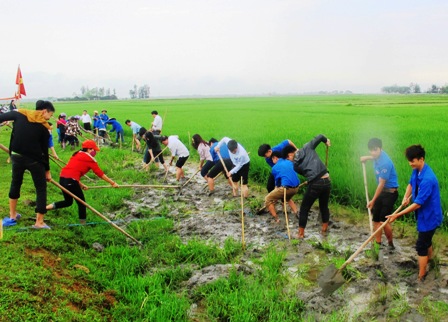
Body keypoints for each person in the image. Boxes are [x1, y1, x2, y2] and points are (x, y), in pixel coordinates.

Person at [386, 145, 443, 282]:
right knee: (426, 241)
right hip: (424, 215)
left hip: (430, 216)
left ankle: (421, 276)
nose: (410, 163)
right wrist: (406, 196)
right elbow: (411, 184)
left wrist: (397, 215)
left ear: (421, 159)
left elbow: (417, 203)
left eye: (413, 161)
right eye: (409, 160)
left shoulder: (428, 179)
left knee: (421, 245)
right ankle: (430, 262)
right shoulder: (417, 170)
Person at [0, 101, 55, 229]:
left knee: (15, 183)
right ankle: (39, 222)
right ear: (44, 111)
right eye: (50, 115)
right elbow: (44, 151)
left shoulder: (19, 114)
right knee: (41, 188)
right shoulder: (44, 128)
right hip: (34, 161)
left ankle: (12, 216)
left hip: (16, 157)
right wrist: (47, 171)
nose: (49, 118)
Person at [46, 140, 118, 224]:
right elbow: (100, 173)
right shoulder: (89, 159)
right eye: (94, 150)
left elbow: (73, 171)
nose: (95, 152)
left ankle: (45, 208)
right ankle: (82, 224)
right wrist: (112, 183)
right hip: (71, 181)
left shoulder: (77, 154)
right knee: (82, 203)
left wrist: (80, 184)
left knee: (68, 202)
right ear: (89, 149)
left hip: (63, 179)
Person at [360, 138, 399, 249]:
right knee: (376, 219)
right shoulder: (377, 156)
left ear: (380, 149)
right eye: (370, 150)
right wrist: (366, 158)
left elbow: (381, 184)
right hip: (382, 192)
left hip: (390, 193)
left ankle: (391, 244)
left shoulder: (385, 163)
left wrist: (372, 200)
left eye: (375, 150)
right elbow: (373, 156)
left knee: (383, 221)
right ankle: (378, 244)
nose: (373, 152)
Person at [293, 134, 331, 238]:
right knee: (324, 206)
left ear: (289, 155)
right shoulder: (307, 147)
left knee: (304, 208)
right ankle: (324, 230)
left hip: (315, 183)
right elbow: (319, 136)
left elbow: (306, 173)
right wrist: (326, 140)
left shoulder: (295, 166)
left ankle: (300, 234)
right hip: (327, 180)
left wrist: (311, 180)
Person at [265, 150, 300, 223]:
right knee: (287, 198)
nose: (272, 161)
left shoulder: (275, 168)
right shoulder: (289, 162)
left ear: (275, 158)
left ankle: (276, 219)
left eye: (272, 159)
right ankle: (297, 213)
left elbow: (277, 183)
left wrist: (275, 193)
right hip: (296, 187)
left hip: (287, 189)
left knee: (268, 199)